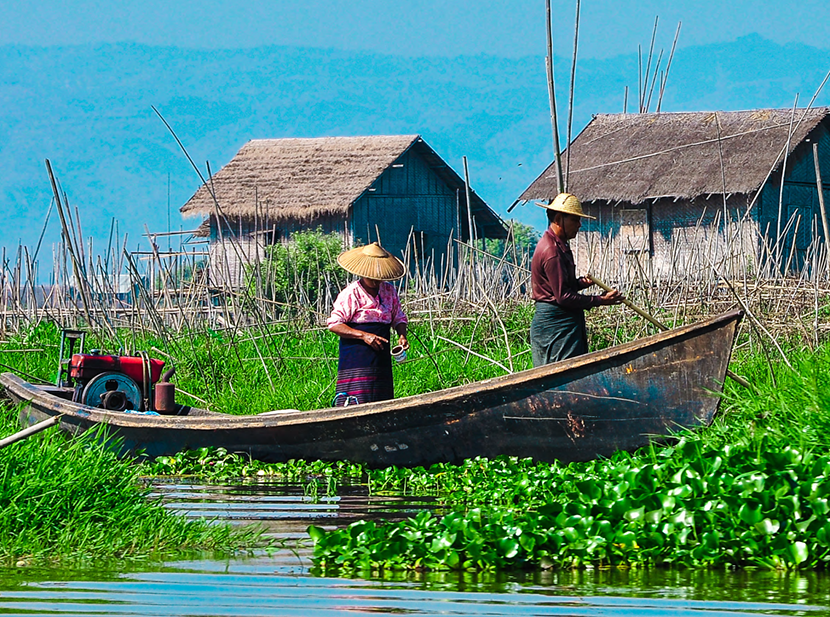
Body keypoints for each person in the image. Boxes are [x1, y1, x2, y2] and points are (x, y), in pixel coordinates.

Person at [530, 192, 623, 366]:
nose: (579, 225)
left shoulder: (559, 244)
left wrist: (580, 283)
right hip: (555, 325)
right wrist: (601, 300)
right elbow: (563, 297)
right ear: (558, 219)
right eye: (575, 220)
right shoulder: (551, 251)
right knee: (561, 375)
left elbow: (560, 287)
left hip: (561, 323)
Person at [327, 242, 409, 406]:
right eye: (371, 276)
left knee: (381, 398)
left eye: (378, 276)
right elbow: (334, 324)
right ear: (363, 273)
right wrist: (364, 336)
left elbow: (398, 317)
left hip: (381, 357)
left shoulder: (389, 291)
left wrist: (402, 335)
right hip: (357, 356)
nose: (375, 280)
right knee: (356, 400)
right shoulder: (351, 293)